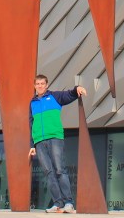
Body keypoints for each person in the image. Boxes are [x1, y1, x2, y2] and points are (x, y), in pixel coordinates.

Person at [28, 74, 86, 213]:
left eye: (42, 83)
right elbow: (31, 124)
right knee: (49, 172)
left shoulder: (54, 96)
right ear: (34, 86)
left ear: (46, 85)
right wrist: (31, 145)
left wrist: (77, 88)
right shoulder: (32, 103)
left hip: (55, 137)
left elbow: (69, 95)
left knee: (60, 170)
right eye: (38, 84)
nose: (40, 86)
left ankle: (69, 203)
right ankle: (57, 203)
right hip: (39, 141)